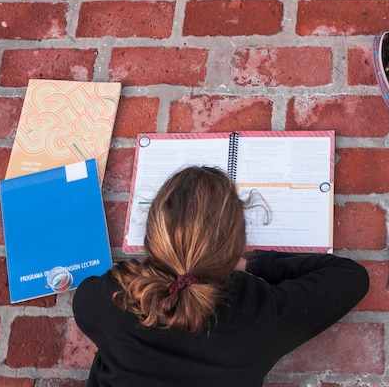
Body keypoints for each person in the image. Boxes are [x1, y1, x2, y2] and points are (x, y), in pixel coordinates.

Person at [73, 166, 369, 387]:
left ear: (153, 237)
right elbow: (349, 276)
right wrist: (253, 263)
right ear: (236, 248)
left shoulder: (112, 299)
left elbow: (85, 295)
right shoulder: (259, 314)